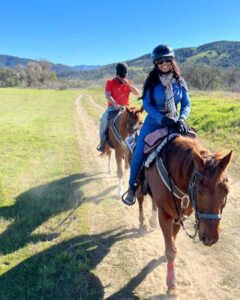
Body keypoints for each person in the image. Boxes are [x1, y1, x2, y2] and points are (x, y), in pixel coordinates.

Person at [122, 44, 191, 205]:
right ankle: (132, 187)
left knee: (193, 148)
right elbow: (146, 104)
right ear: (156, 64)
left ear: (172, 60)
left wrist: (182, 119)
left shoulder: (180, 82)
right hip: (154, 122)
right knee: (139, 149)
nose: (164, 64)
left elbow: (186, 103)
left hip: (175, 122)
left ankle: (194, 186)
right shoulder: (152, 82)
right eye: (160, 62)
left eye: (167, 60)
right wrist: (161, 118)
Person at [97, 62, 139, 152]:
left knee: (137, 121)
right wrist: (115, 104)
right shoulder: (110, 82)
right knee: (103, 120)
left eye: (124, 76)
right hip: (113, 108)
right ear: (117, 74)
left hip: (126, 109)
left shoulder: (128, 83)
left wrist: (128, 84)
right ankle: (103, 142)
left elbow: (137, 93)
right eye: (121, 76)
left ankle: (137, 143)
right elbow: (108, 95)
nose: (123, 78)